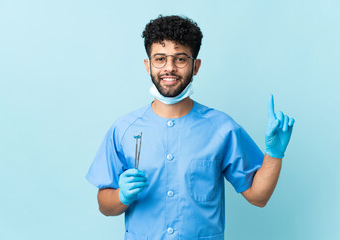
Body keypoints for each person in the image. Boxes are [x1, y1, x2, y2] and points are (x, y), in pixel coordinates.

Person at [86, 15, 295, 240]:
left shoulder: (222, 128)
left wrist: (274, 154)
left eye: (180, 59)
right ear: (148, 65)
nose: (169, 68)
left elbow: (258, 197)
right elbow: (105, 205)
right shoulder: (123, 129)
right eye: (160, 59)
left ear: (195, 66)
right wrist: (121, 196)